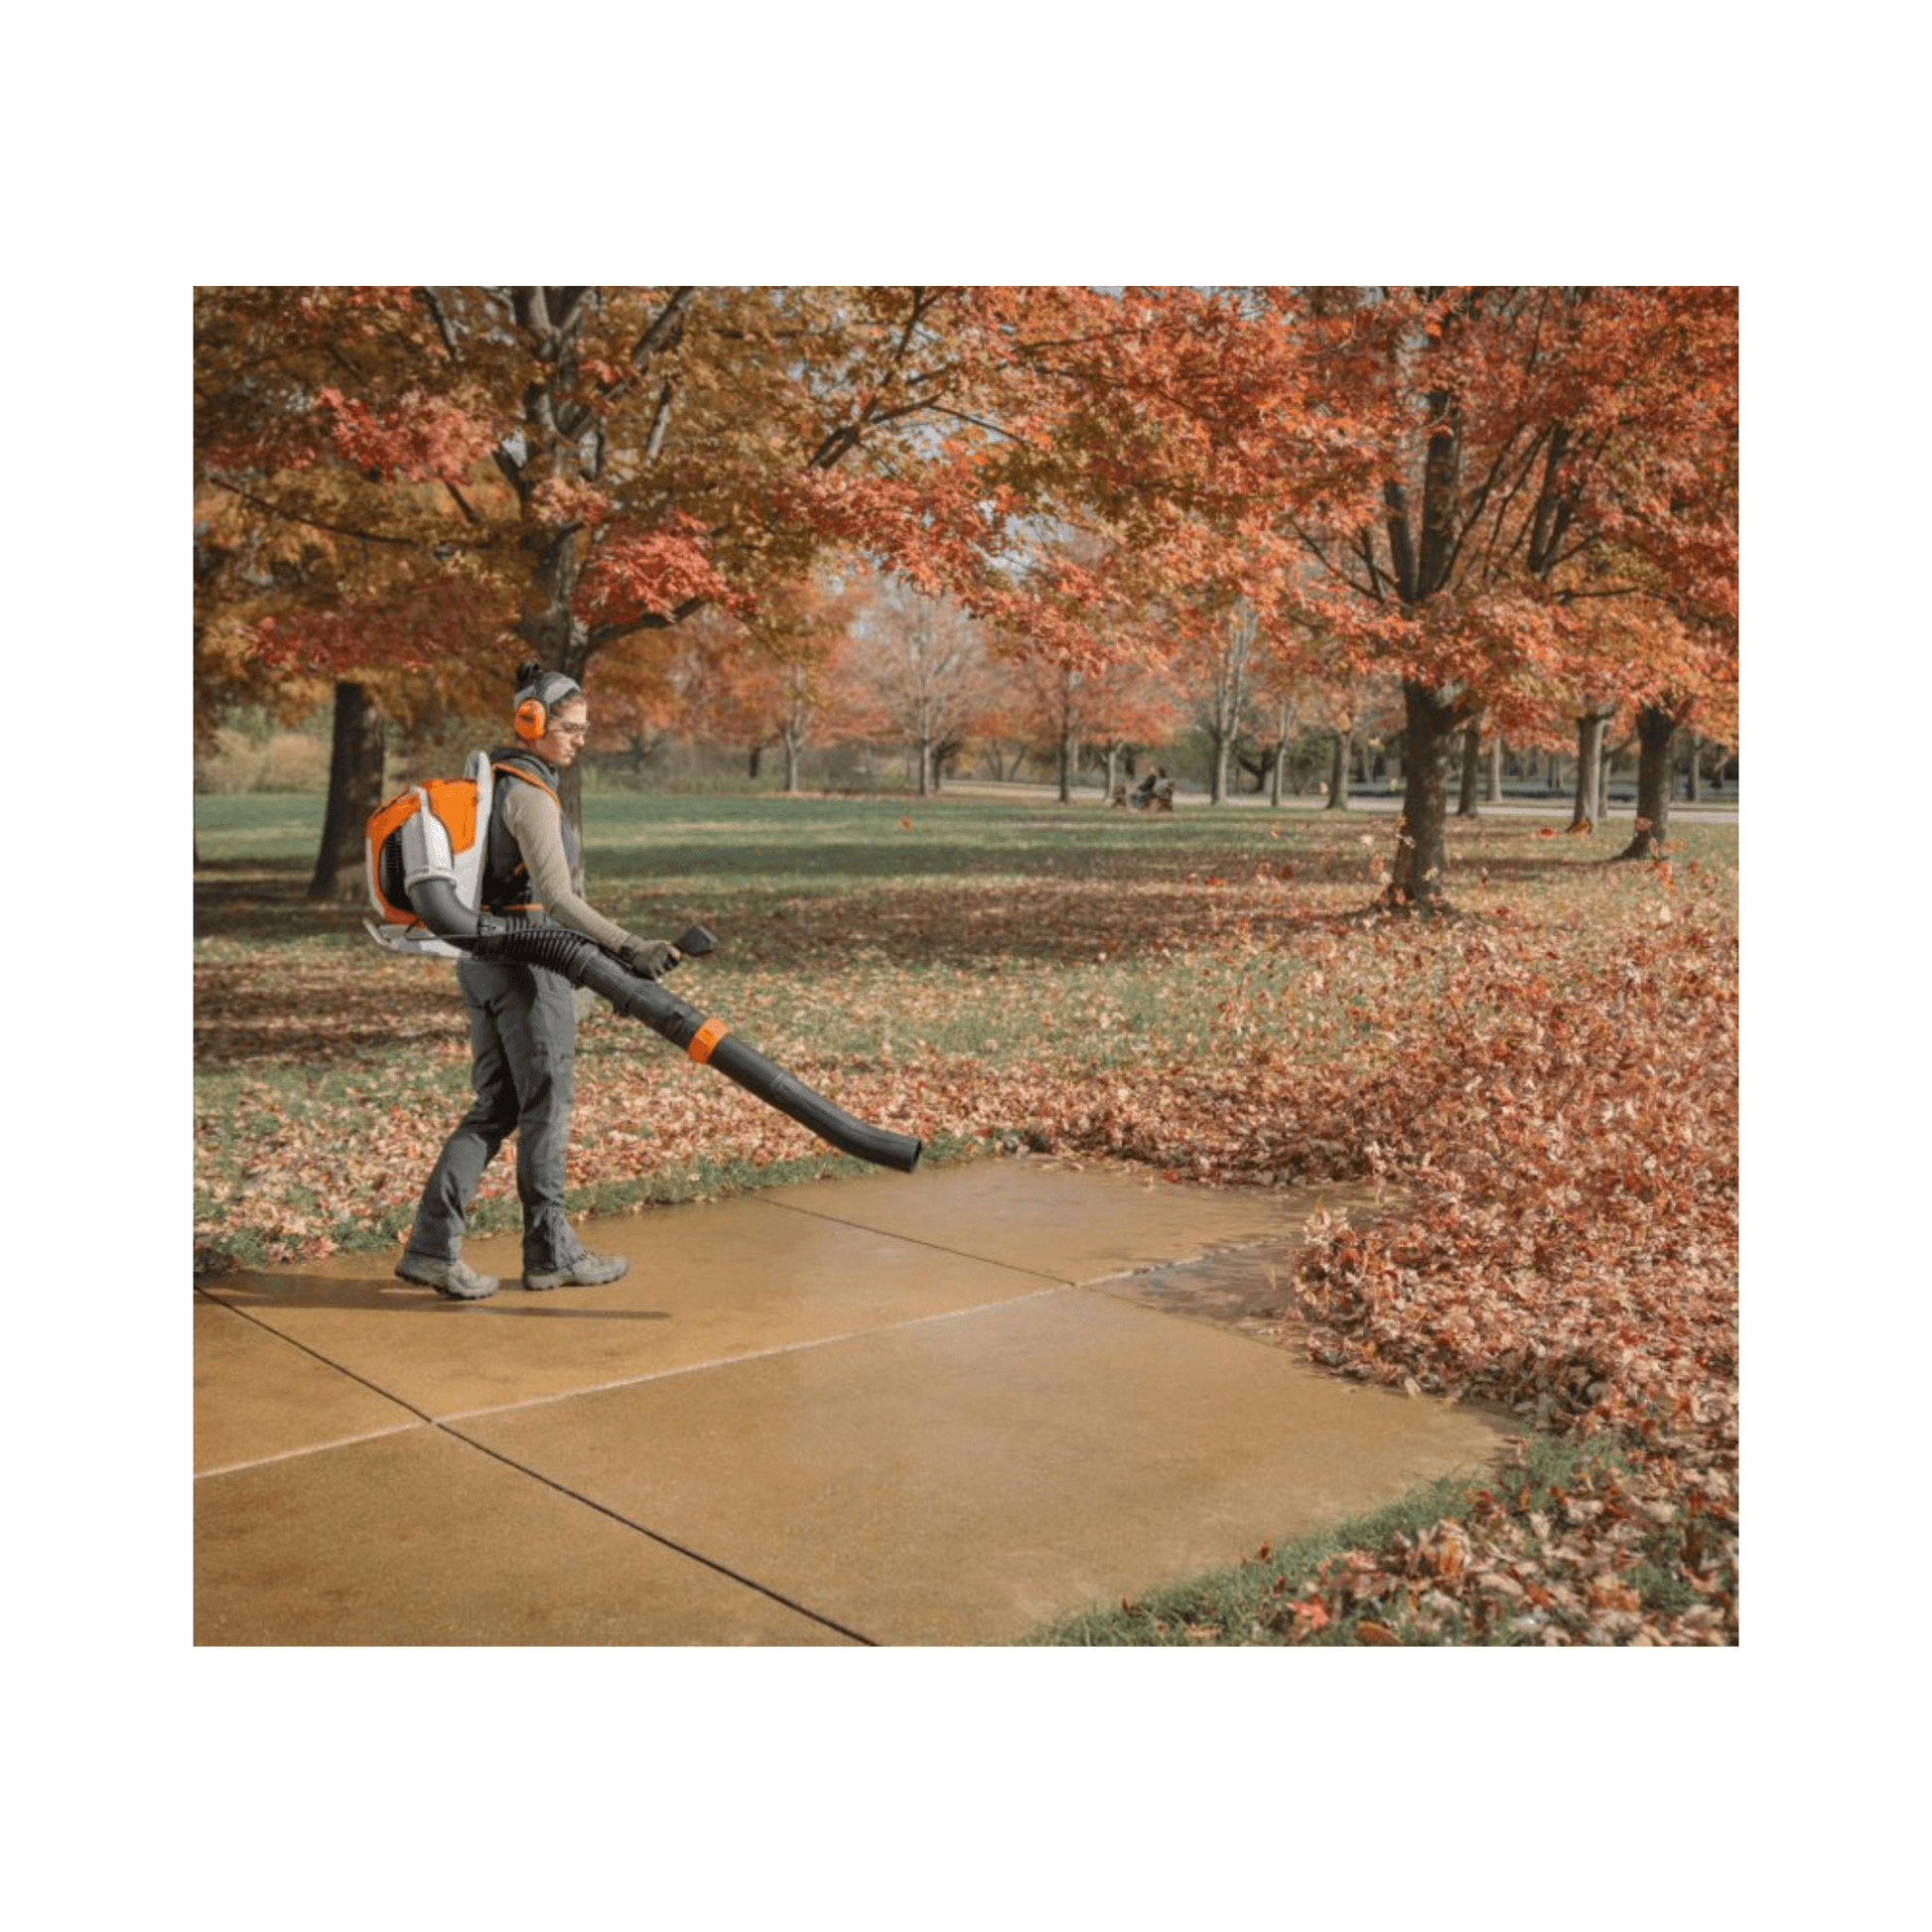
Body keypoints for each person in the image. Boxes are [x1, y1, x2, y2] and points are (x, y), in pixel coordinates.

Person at [395, 663, 681, 1302]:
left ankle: (431, 1248)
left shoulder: (490, 781)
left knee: (494, 1109)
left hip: (481, 961)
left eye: (584, 730)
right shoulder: (530, 791)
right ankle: (550, 1251)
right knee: (546, 1109)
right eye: (569, 728)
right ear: (532, 723)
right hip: (529, 968)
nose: (579, 740)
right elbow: (556, 899)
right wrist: (630, 948)